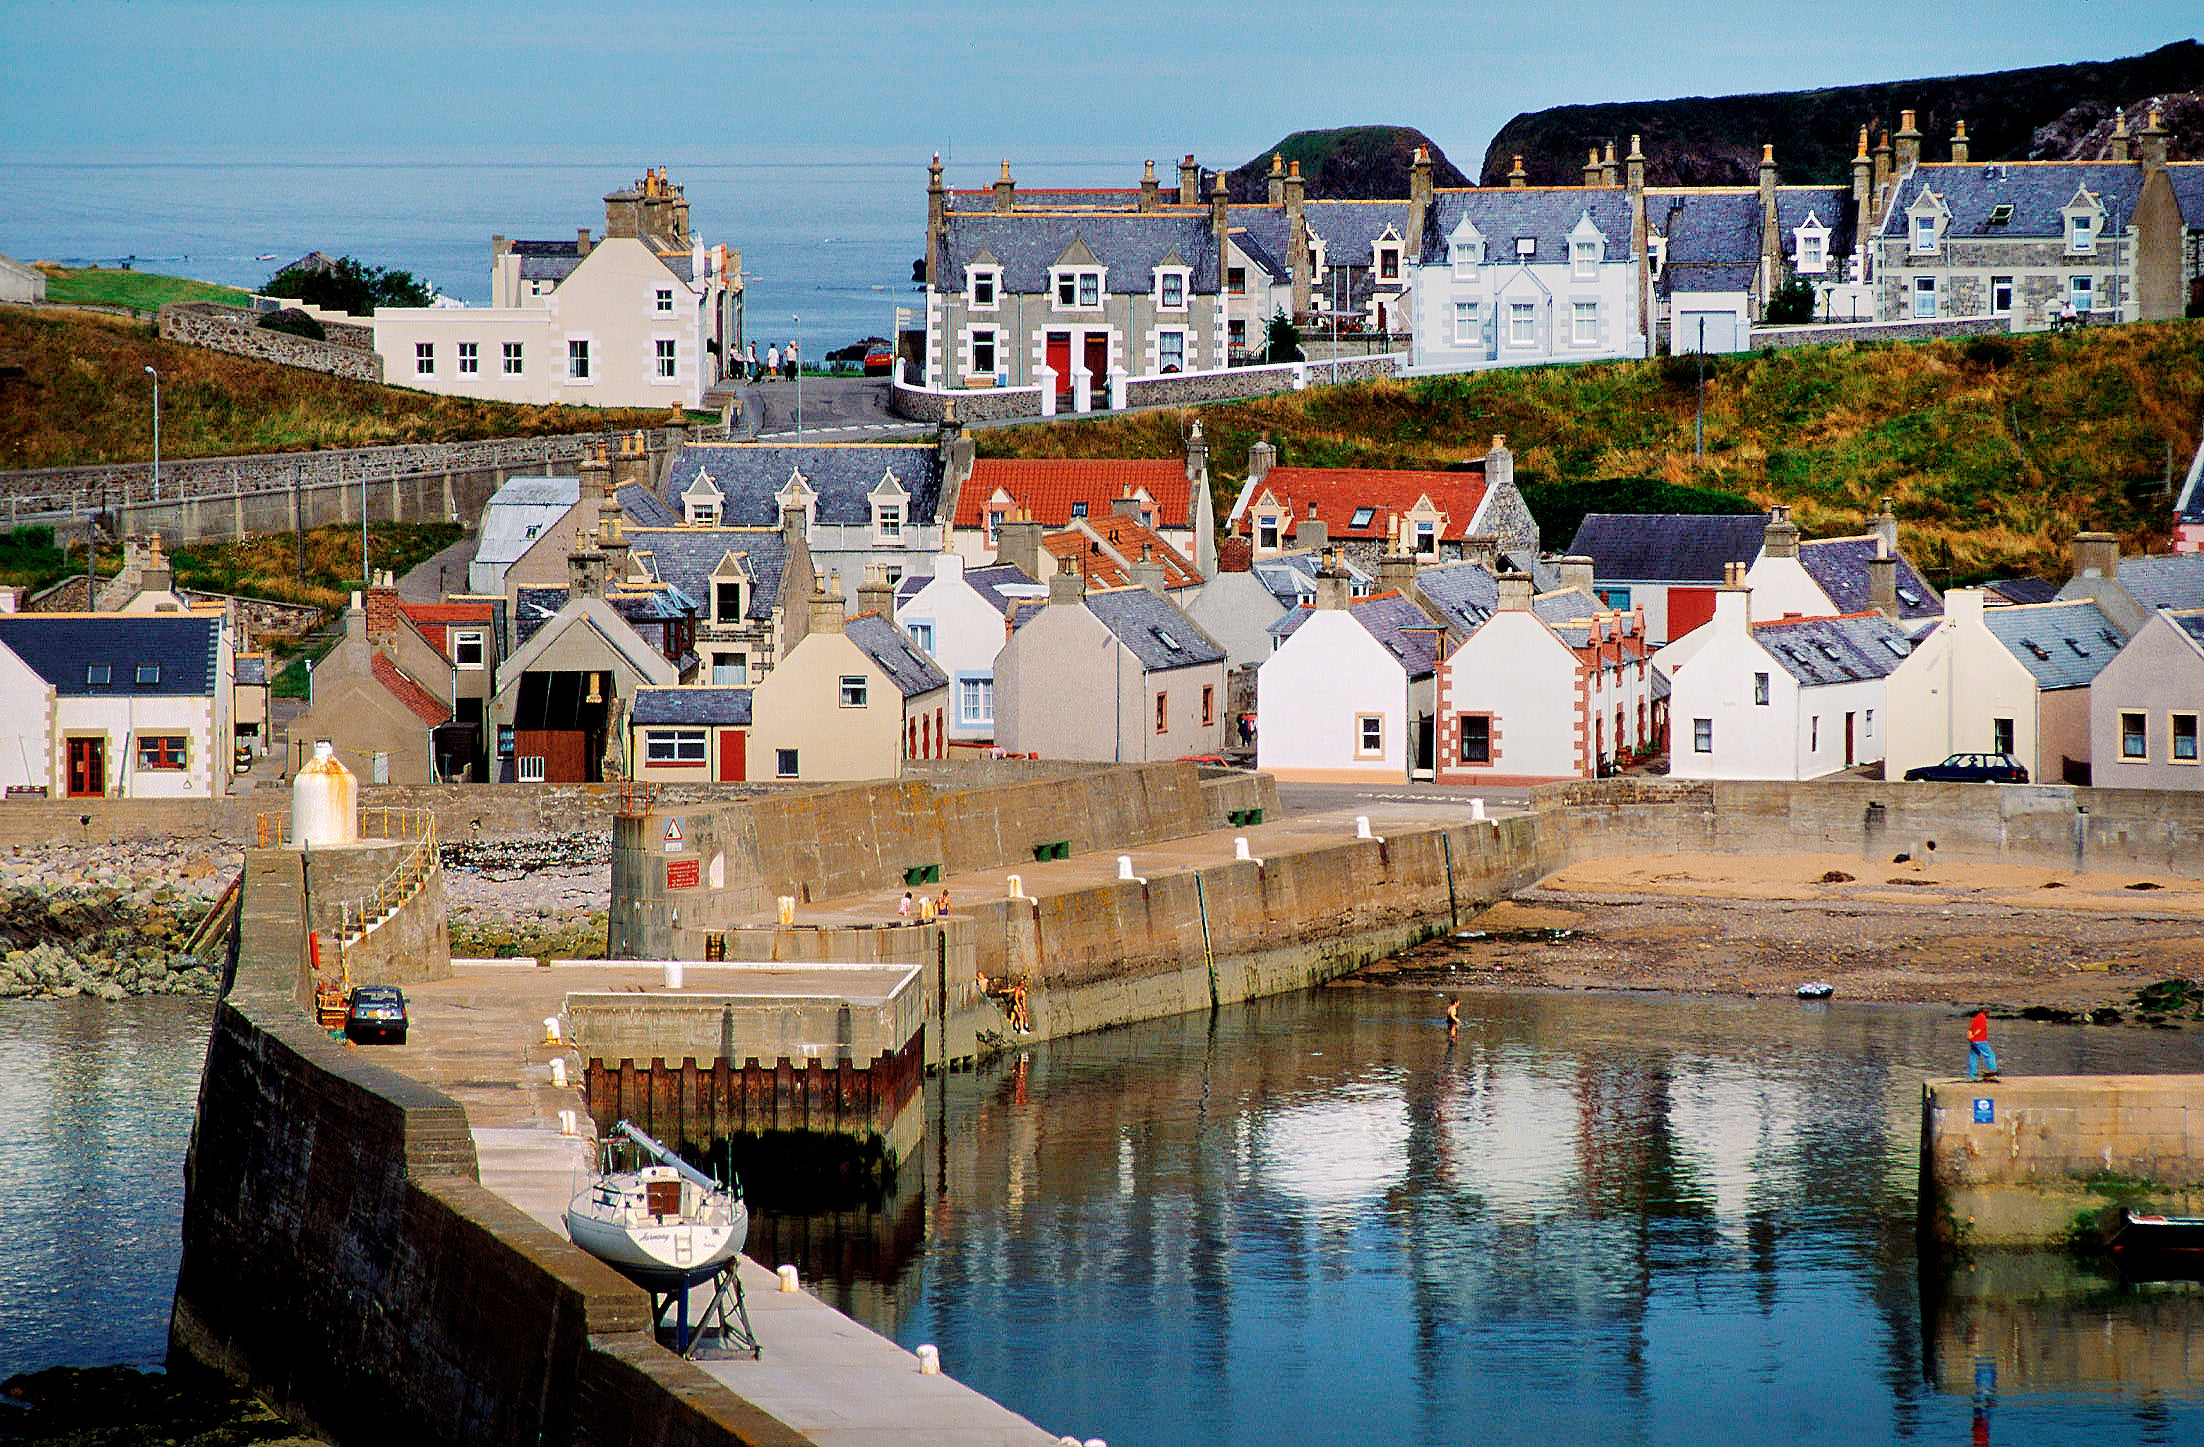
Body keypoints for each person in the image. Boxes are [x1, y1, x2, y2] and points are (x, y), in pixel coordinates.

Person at [1967, 1009, 1999, 1081]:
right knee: (1990, 1055)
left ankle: (1972, 1075)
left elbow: (1970, 1029)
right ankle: (1992, 1074)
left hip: (1973, 1041)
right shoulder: (1983, 1018)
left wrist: (1970, 1036)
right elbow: (1980, 1029)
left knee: (1973, 1056)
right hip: (1980, 1040)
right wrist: (1974, 1035)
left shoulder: (1976, 1018)